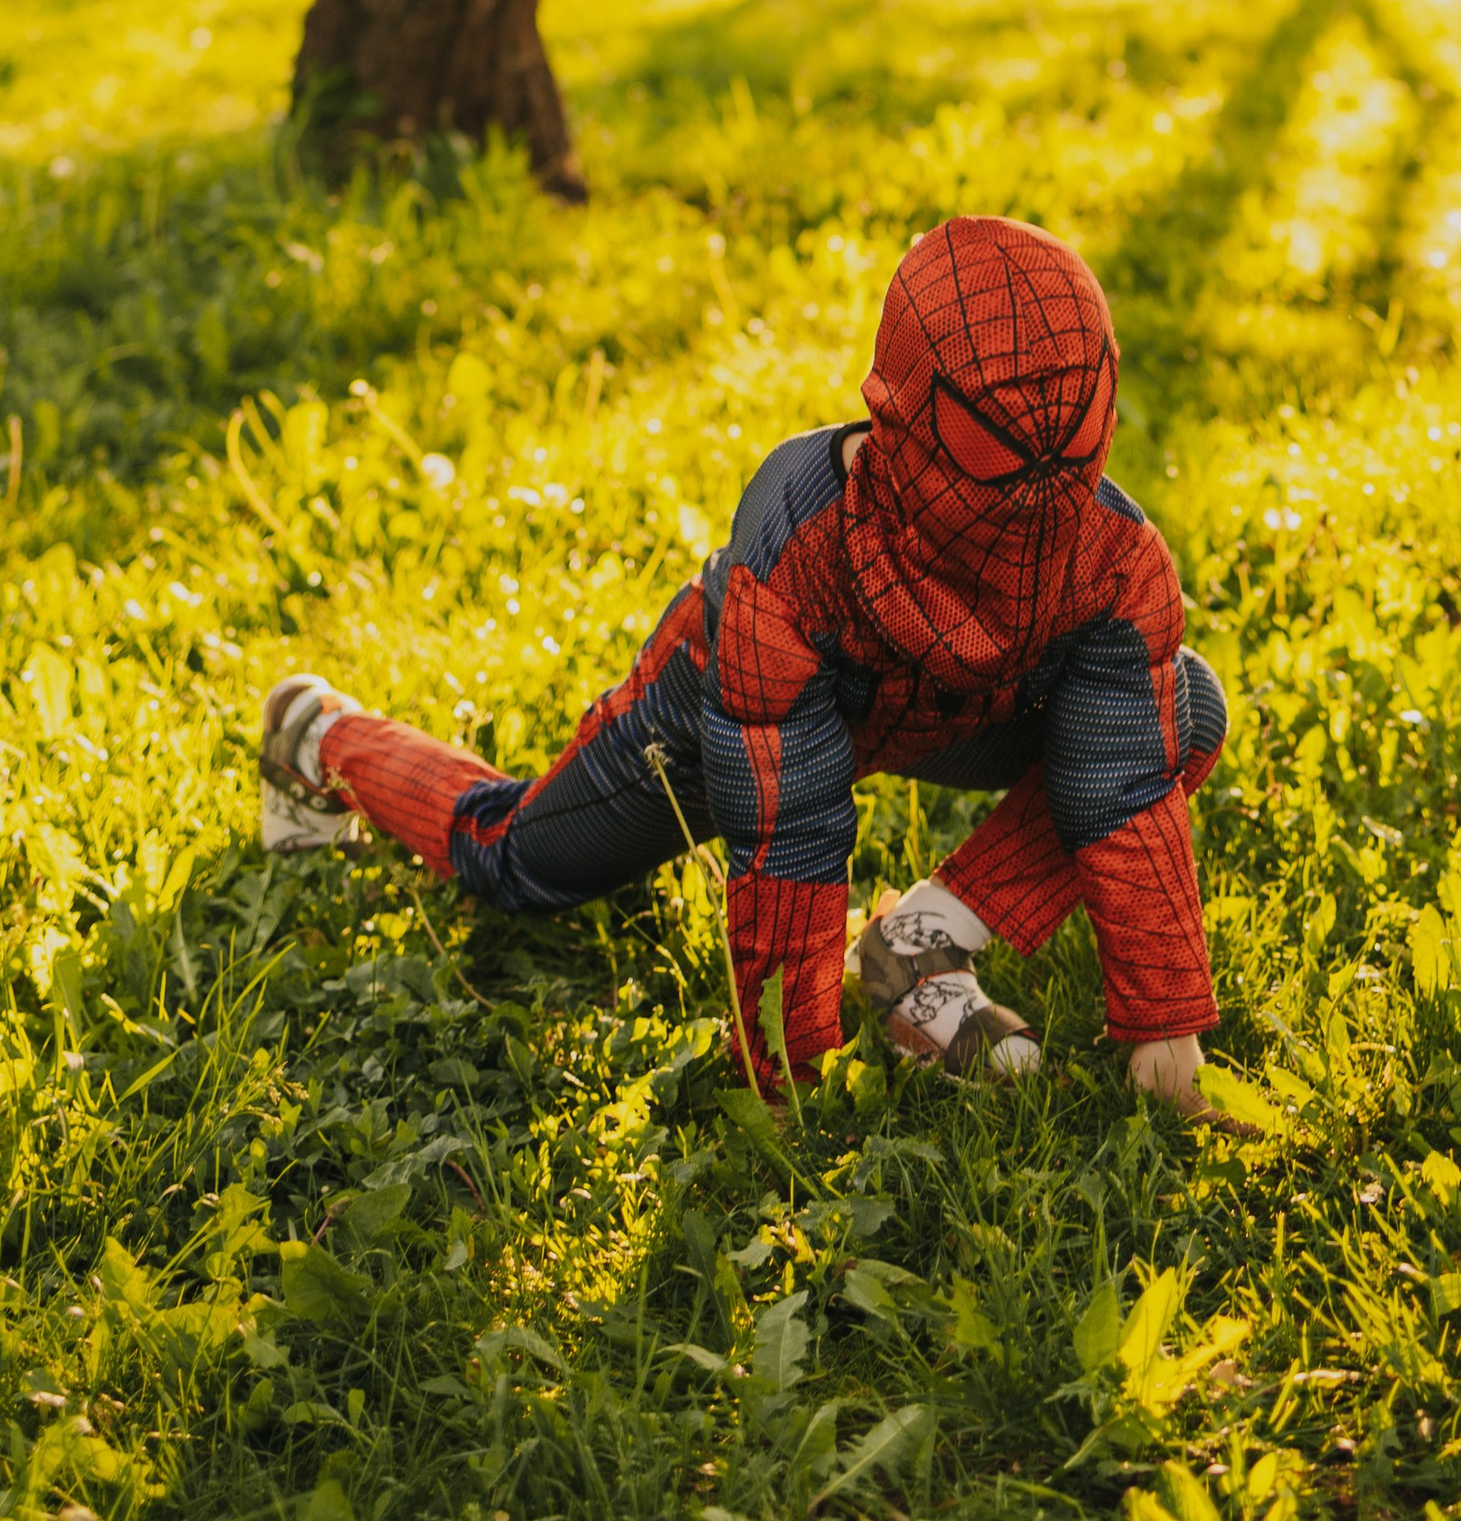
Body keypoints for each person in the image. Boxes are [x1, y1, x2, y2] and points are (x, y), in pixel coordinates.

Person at [259, 215, 1226, 1115]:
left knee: (1182, 708)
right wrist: (790, 1078)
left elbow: (1123, 782)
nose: (1038, 481)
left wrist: (1165, 1023)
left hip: (948, 711)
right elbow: (787, 835)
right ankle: (317, 736)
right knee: (511, 861)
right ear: (903, 407)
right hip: (710, 715)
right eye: (996, 442)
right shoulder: (792, 549)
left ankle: (916, 950)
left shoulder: (1113, 560)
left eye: (1070, 430)